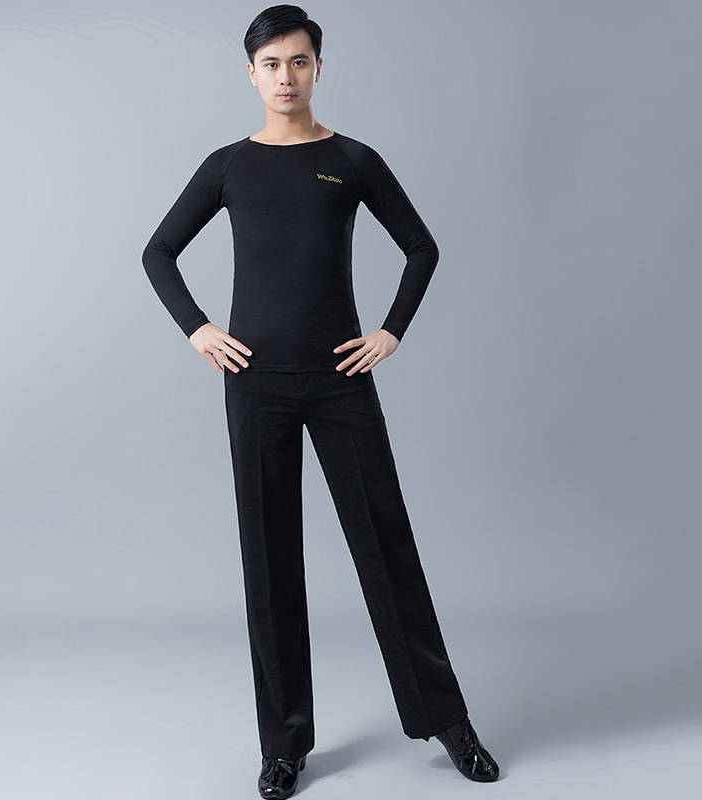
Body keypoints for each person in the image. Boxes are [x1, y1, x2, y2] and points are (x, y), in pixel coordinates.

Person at [142, 5, 500, 797]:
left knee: (387, 547)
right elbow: (158, 251)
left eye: (298, 62)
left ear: (317, 69)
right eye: (271, 64)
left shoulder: (352, 160)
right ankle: (283, 746)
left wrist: (391, 332)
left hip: (341, 381)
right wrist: (199, 328)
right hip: (256, 384)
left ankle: (448, 720)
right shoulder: (228, 166)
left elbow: (421, 247)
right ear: (251, 74)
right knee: (269, 564)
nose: (285, 76)